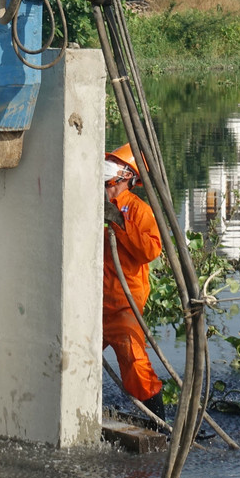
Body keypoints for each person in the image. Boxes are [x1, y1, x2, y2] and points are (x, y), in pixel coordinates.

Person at [102, 142, 165, 420]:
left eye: (113, 162)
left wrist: (116, 220)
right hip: (91, 303)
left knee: (136, 365)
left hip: (123, 305)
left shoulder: (137, 210)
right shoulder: (89, 200)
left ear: (126, 175)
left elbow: (151, 250)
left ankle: (158, 425)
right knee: (69, 358)